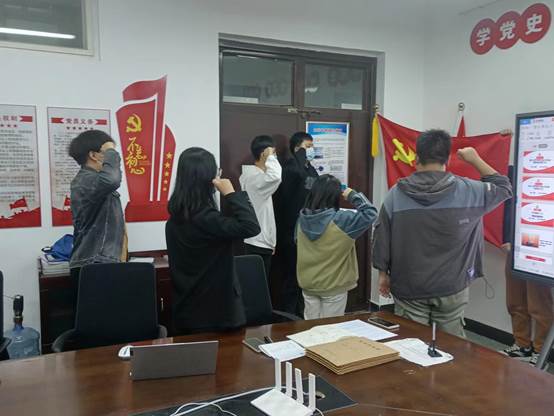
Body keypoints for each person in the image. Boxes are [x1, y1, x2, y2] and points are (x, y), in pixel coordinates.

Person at [372, 129, 512, 337]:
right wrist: (474, 159)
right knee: (452, 345)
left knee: (412, 342)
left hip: (409, 284)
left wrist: (383, 274)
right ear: (447, 159)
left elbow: (382, 237)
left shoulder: (396, 195)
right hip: (452, 285)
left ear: (416, 158)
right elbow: (504, 187)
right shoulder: (469, 191)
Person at [165, 147, 260, 334]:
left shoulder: (175, 219)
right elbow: (251, 227)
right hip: (216, 315)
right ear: (209, 179)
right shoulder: (208, 219)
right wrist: (231, 193)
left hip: (186, 312)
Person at [296, 175, 377, 319]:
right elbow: (370, 213)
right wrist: (352, 195)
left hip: (308, 284)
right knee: (331, 329)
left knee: (310, 327)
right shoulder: (342, 220)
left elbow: (296, 242)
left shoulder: (301, 219)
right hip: (333, 285)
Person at [68, 130, 126, 287]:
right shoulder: (85, 180)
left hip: (100, 263)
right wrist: (111, 151)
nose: (113, 158)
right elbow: (112, 179)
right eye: (107, 153)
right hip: (94, 264)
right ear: (93, 155)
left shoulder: (94, 181)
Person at [274, 131, 319, 315]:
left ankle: (301, 313)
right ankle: (288, 316)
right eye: (307, 147)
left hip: (309, 229)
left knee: (305, 274)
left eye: (312, 146)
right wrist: (299, 156)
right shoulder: (290, 168)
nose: (311, 150)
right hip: (290, 230)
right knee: (291, 275)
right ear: (297, 149)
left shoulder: (311, 169)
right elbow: (291, 187)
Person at [501, 243, 553, 365]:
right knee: (515, 300)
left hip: (542, 247)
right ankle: (522, 345)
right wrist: (508, 239)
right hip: (515, 245)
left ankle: (540, 352)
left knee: (540, 305)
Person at [239, 135, 282, 281]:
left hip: (259, 240)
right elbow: (275, 176)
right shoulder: (255, 179)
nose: (275, 157)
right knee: (257, 286)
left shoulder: (255, 176)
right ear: (264, 153)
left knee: (257, 285)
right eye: (273, 153)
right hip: (258, 241)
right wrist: (270, 157)